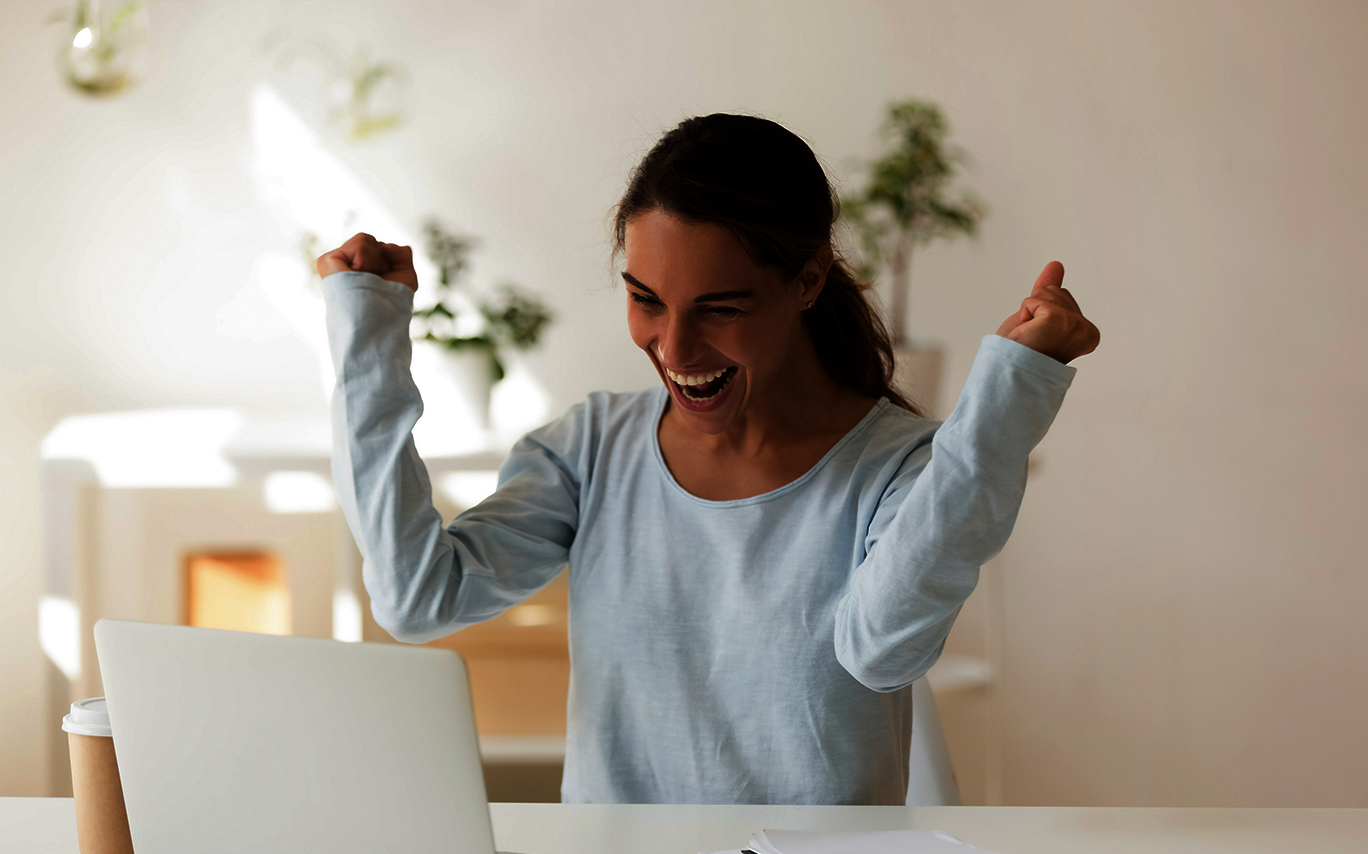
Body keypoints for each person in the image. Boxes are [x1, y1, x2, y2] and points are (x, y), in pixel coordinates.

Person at [317, 113, 1099, 805]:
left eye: (720, 309)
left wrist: (1008, 400)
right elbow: (417, 598)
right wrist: (368, 340)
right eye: (645, 299)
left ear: (808, 280)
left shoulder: (897, 470)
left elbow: (882, 648)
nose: (675, 348)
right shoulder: (593, 450)